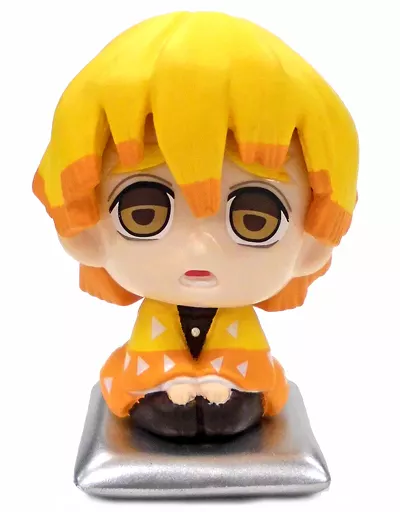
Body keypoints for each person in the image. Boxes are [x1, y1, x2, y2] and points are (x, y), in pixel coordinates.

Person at [33, 11, 358, 438]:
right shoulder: (150, 325)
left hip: (239, 386)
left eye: (254, 219)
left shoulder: (245, 330)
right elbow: (142, 365)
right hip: (151, 384)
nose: (201, 248)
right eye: (143, 213)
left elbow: (256, 371)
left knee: (232, 404)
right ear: (85, 228)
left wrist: (226, 383)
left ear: (314, 239)